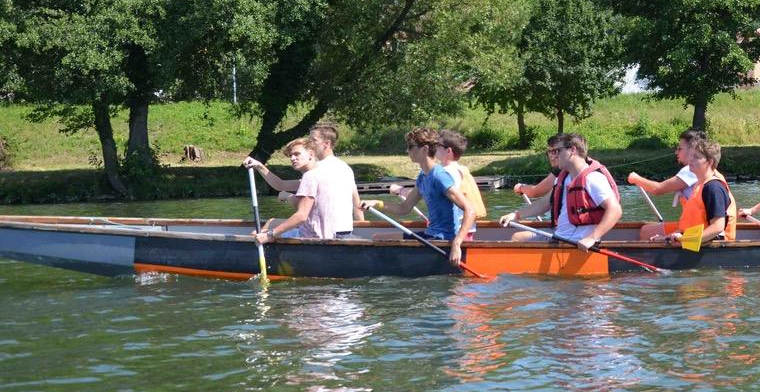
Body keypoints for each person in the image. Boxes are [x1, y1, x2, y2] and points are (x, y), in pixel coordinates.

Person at [361, 127, 476, 264]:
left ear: (425, 149)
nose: (407, 150)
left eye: (411, 146)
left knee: (380, 240)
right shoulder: (423, 176)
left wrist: (457, 244)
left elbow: (470, 210)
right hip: (430, 235)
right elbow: (404, 208)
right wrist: (377, 203)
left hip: (442, 240)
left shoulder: (440, 176)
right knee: (378, 238)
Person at [497, 133, 622, 251]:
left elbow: (615, 210)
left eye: (556, 151)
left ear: (572, 150)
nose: (553, 155)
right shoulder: (563, 177)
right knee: (518, 237)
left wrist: (592, 238)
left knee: (517, 239)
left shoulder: (592, 178)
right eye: (550, 152)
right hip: (560, 236)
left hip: (574, 242)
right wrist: (516, 215)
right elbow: (544, 203)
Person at [246, 129, 360, 242]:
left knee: (260, 231)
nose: (310, 143)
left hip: (321, 234)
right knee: (272, 223)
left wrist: (287, 197)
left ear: (326, 144)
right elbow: (357, 205)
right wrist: (260, 166)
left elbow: (302, 211)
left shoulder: (315, 171)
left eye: (313, 140)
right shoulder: (346, 168)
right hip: (343, 232)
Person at [637, 138, 736, 243]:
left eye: (696, 157)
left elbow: (717, 227)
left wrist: (684, 240)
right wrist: (666, 238)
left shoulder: (713, 188)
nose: (690, 160)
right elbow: (687, 227)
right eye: (691, 156)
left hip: (710, 246)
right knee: (650, 236)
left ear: (710, 162)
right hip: (692, 242)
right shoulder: (699, 186)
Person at [627, 128, 704, 208]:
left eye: (679, 148)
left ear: (692, 150)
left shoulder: (690, 170)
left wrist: (636, 178)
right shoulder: (705, 169)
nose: (676, 152)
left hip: (698, 220)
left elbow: (657, 189)